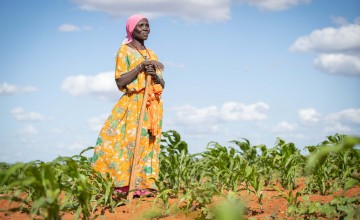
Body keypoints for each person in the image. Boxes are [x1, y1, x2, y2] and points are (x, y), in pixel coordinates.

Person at [91, 14, 165, 196]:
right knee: (122, 142)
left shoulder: (152, 54)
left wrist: (154, 75)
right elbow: (120, 82)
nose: (146, 29)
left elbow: (162, 84)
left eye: (148, 25)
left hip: (150, 105)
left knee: (146, 145)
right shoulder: (124, 51)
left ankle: (143, 187)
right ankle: (121, 185)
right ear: (132, 29)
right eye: (141, 26)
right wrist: (141, 67)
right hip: (132, 104)